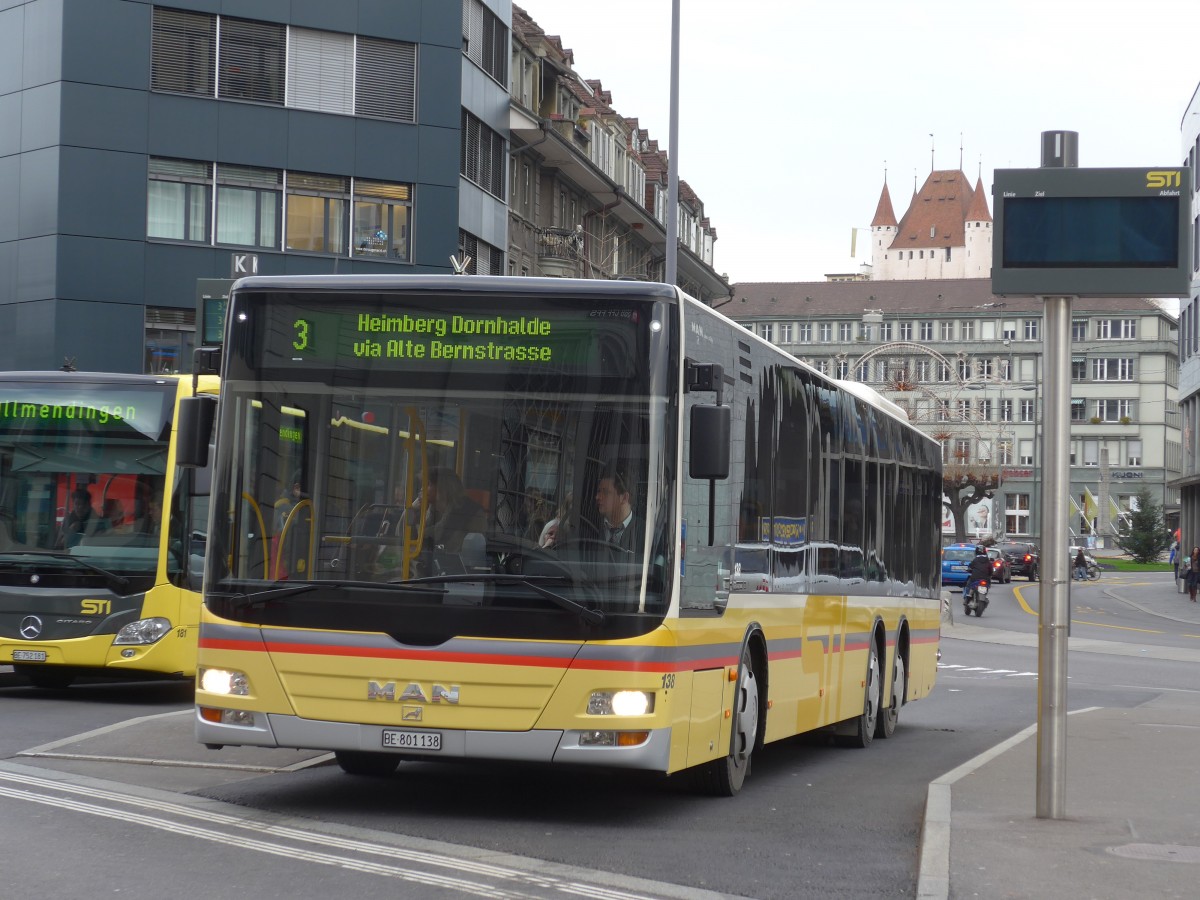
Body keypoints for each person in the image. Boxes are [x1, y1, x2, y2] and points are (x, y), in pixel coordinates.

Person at [408, 467, 486, 555]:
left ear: (442, 487)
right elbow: (404, 536)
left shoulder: (464, 508)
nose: (422, 489)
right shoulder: (433, 509)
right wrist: (412, 509)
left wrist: (411, 511)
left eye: (428, 484)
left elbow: (435, 536)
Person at [594, 461, 643, 553]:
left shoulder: (646, 534)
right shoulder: (589, 529)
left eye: (605, 492)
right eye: (598, 491)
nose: (597, 497)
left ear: (624, 498)